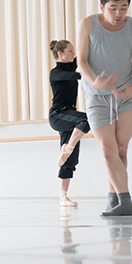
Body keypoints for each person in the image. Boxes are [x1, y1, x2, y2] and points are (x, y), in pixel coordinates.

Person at [76, 0, 132, 216]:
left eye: (123, 8)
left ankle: (113, 200)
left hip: (125, 96)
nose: (118, 14)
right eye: (113, 8)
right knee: (108, 150)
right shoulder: (87, 24)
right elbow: (81, 61)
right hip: (96, 97)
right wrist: (94, 82)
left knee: (121, 150)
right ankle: (126, 203)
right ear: (102, 7)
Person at [48, 39, 90, 207]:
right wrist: (88, 76)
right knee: (85, 119)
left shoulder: (71, 66)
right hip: (58, 115)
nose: (73, 54)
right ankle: (68, 147)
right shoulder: (55, 72)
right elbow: (74, 76)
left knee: (70, 161)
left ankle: (63, 197)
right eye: (70, 51)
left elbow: (84, 57)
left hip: (70, 116)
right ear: (60, 54)